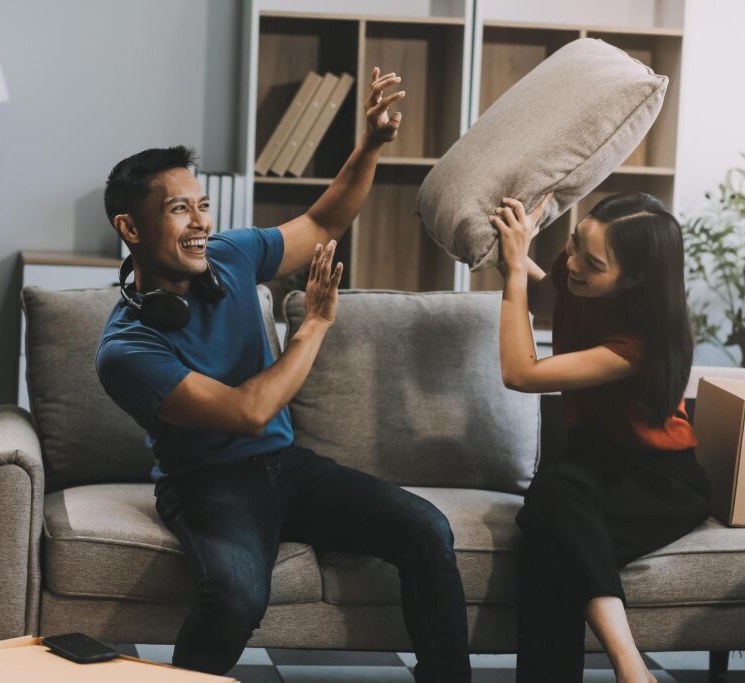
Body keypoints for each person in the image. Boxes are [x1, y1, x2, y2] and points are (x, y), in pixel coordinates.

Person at [95, 68, 471, 682]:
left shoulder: (232, 257)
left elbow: (323, 223)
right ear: (130, 229)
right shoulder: (126, 348)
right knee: (239, 597)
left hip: (289, 467)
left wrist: (370, 144)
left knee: (426, 528)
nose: (200, 223)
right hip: (209, 484)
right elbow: (247, 412)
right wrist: (315, 325)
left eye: (203, 205)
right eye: (179, 209)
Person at [488, 192, 711, 683]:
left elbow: (520, 373)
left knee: (549, 512)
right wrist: (514, 246)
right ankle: (634, 674)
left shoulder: (639, 344)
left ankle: (629, 667)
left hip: (658, 484)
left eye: (591, 263)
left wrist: (511, 275)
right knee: (548, 532)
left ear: (634, 279)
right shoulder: (579, 276)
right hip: (590, 468)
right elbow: (549, 295)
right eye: (572, 246)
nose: (571, 264)